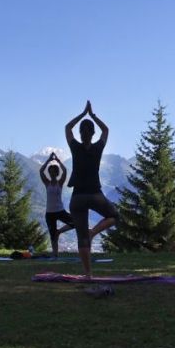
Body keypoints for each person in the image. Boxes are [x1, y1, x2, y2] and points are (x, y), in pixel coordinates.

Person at [65, 101, 119, 277]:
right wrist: (93, 116)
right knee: (114, 215)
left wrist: (83, 114)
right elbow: (106, 131)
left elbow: (67, 128)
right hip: (95, 194)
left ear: (81, 134)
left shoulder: (75, 148)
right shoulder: (97, 148)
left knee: (82, 239)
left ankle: (88, 274)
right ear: (92, 133)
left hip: (78, 197)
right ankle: (93, 232)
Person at [39, 152, 74, 257]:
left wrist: (58, 161)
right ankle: (55, 255)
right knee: (52, 236)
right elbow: (41, 171)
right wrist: (49, 161)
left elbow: (65, 171)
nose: (52, 173)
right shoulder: (47, 183)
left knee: (75, 222)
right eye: (50, 172)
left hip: (60, 210)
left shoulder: (60, 183)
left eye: (54, 172)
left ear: (56, 173)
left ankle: (60, 232)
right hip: (49, 213)